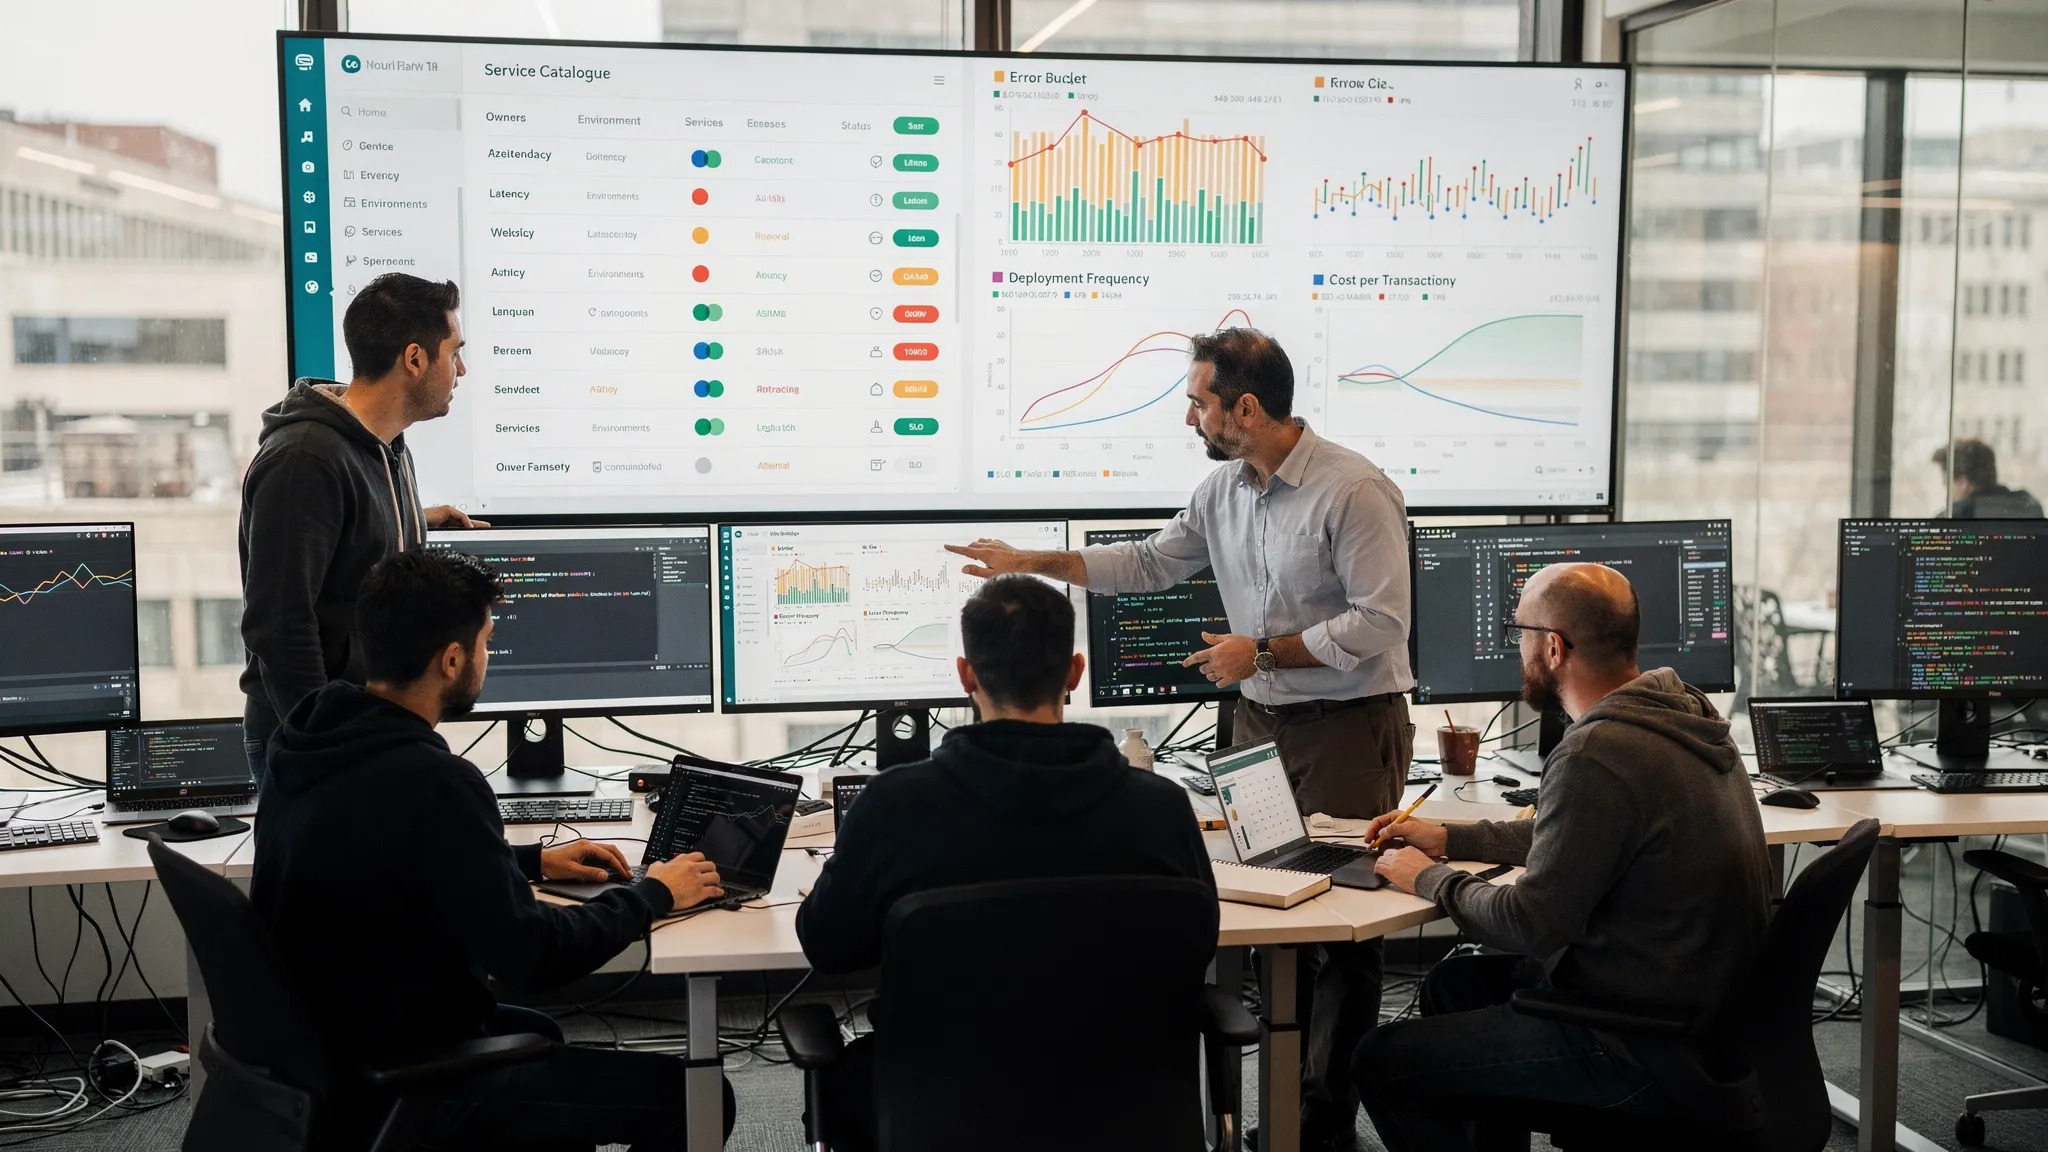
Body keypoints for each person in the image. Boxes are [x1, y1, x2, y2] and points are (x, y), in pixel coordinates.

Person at [946, 327, 1412, 1149]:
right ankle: (1277, 1107)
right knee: (1273, 908)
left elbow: (1382, 622)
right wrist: (1032, 560)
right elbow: (1152, 563)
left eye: (1198, 403)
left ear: (1246, 407)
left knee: (1337, 927)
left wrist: (1260, 651)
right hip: (1260, 723)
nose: (1189, 419)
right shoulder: (1225, 491)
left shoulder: (1353, 491)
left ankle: (1319, 1123)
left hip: (1345, 725)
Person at [252, 550, 734, 1149]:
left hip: (326, 1048)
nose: (488, 656)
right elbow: (533, 957)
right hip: (400, 1074)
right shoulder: (434, 781)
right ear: (451, 660)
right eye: (486, 641)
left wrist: (530, 862)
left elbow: (381, 861)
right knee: (699, 1098)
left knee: (539, 1035)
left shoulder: (308, 738)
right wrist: (654, 894)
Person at [1350, 562, 1772, 1152]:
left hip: (1641, 1044)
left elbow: (1529, 923)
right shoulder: (1678, 712)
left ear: (1553, 647)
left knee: (1383, 1059)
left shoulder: (1598, 751)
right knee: (1455, 986)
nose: (1515, 646)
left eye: (1519, 631)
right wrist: (1449, 838)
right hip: (1694, 1016)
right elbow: (1584, 835)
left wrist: (1429, 879)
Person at [795, 574, 1215, 1152]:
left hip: (939, 1114)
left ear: (966, 675)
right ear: (1075, 672)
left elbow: (829, 947)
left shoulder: (895, 804)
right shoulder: (1161, 806)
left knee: (847, 1081)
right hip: (1124, 1111)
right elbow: (1200, 939)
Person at [238, 272, 487, 791]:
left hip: (367, 729)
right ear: (415, 359)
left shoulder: (384, 444)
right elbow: (279, 626)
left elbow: (340, 534)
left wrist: (413, 516)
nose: (461, 369)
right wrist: (327, 744)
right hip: (318, 739)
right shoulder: (304, 460)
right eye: (454, 353)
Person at [1932, 438, 2042, 518]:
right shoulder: (2029, 505)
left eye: (1947, 485)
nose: (1947, 493)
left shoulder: (1951, 520)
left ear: (1963, 483)